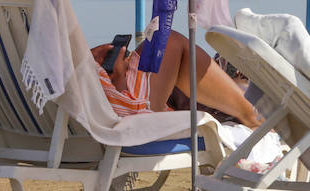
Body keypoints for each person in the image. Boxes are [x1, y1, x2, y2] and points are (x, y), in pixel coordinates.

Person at [90, 28, 261, 128]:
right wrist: (118, 75)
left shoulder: (65, 48)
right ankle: (250, 115)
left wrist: (90, 59)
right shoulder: (66, 50)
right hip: (126, 105)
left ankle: (242, 102)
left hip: (106, 105)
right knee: (165, 39)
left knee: (163, 43)